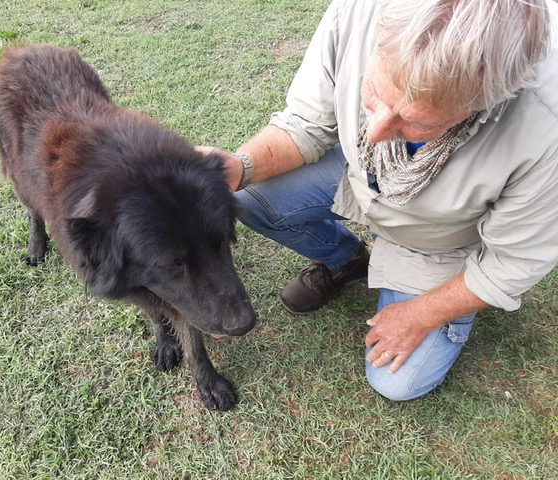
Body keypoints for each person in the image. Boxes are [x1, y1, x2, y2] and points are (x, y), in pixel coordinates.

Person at [199, 0, 558, 401]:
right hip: (355, 177)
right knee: (246, 197)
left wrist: (423, 313)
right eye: (374, 94)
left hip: (441, 240)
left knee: (397, 382)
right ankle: (350, 260)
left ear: (484, 102)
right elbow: (307, 124)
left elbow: (516, 261)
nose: (375, 132)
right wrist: (241, 165)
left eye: (416, 122)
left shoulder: (547, 124)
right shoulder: (359, 10)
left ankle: (431, 279)